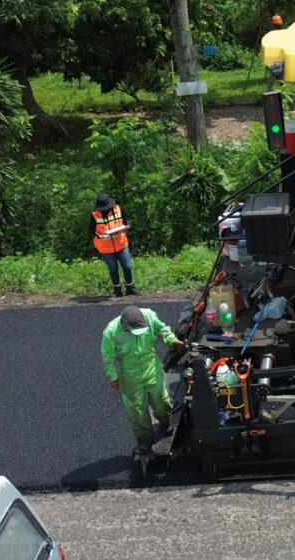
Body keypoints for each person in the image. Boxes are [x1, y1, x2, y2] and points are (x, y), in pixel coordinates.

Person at [101, 305, 182, 453]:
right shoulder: (111, 332)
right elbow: (108, 358)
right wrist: (112, 377)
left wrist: (171, 339)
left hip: (152, 368)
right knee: (136, 409)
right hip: (130, 375)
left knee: (161, 401)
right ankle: (144, 440)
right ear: (125, 326)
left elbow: (162, 329)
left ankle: (166, 423)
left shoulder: (149, 316)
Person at [90, 193, 135, 297]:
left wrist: (128, 224)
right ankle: (117, 290)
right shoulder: (94, 215)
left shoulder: (118, 209)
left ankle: (130, 288)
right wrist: (97, 234)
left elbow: (127, 220)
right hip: (105, 247)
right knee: (113, 269)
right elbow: (91, 229)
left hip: (121, 244)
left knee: (127, 267)